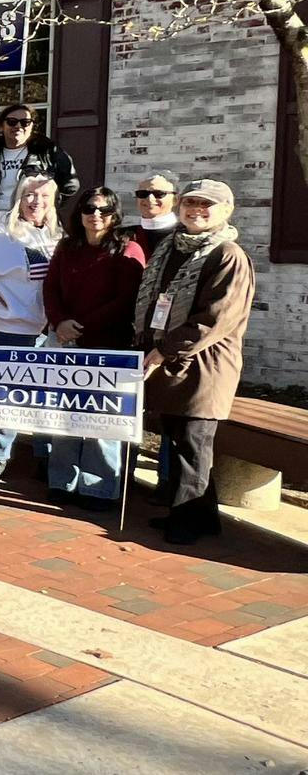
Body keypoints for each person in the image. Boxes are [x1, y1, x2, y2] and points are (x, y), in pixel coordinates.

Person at [136, 179, 254, 545]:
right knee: (181, 441)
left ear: (225, 211)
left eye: (207, 205)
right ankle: (203, 516)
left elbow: (214, 319)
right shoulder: (171, 248)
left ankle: (185, 520)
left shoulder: (228, 255)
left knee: (194, 444)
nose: (196, 210)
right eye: (190, 203)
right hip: (174, 364)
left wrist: (165, 350)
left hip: (205, 366)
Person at [43, 187, 145, 509]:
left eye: (104, 210)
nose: (95, 215)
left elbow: (125, 300)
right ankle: (62, 480)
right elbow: (50, 288)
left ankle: (99, 488)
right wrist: (59, 322)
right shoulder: (67, 246)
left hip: (107, 346)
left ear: (115, 215)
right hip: (65, 341)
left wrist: (81, 326)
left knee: (103, 421)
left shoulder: (128, 250)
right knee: (64, 415)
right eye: (89, 208)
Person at [0, 174, 60, 482]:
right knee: (7, 397)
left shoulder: (58, 235)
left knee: (47, 397)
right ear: (18, 197)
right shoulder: (0, 234)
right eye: (29, 195)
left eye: (44, 196)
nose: (36, 202)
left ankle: (45, 454)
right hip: (13, 328)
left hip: (51, 331)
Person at [0, 104, 79, 233]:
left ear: (32, 126)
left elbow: (71, 185)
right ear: (1, 126)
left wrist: (45, 203)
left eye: (25, 122)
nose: (18, 127)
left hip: (33, 223)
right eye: (12, 122)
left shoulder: (47, 151)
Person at [130, 172, 180, 259]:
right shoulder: (122, 236)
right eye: (143, 194)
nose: (150, 199)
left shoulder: (186, 235)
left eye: (159, 194)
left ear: (175, 199)